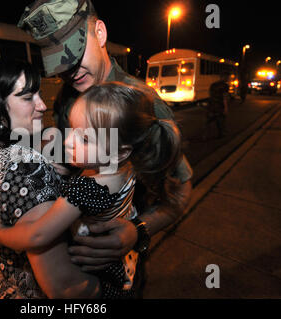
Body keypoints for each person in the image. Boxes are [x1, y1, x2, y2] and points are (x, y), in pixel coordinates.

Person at [11, 0, 193, 291]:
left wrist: (137, 233)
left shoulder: (142, 106)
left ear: (100, 33)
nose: (68, 70)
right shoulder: (68, 96)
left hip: (121, 266)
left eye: (73, 51)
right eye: (57, 61)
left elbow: (181, 190)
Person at [0, 82, 183, 298]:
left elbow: (38, 235)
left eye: (85, 139)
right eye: (72, 129)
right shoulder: (125, 165)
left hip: (106, 279)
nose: (69, 142)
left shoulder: (88, 189)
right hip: (127, 266)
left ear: (120, 152)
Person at [0, 58, 102, 298]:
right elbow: (65, 287)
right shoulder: (26, 167)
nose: (41, 105)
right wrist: (115, 292)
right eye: (28, 98)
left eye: (38, 94)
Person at [205, 72, 230, 139]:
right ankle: (221, 135)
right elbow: (225, 97)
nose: (228, 79)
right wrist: (226, 108)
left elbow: (210, 94)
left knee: (210, 120)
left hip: (212, 105)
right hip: (219, 105)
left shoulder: (213, 84)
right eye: (227, 77)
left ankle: (206, 135)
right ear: (224, 77)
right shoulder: (225, 85)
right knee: (220, 121)